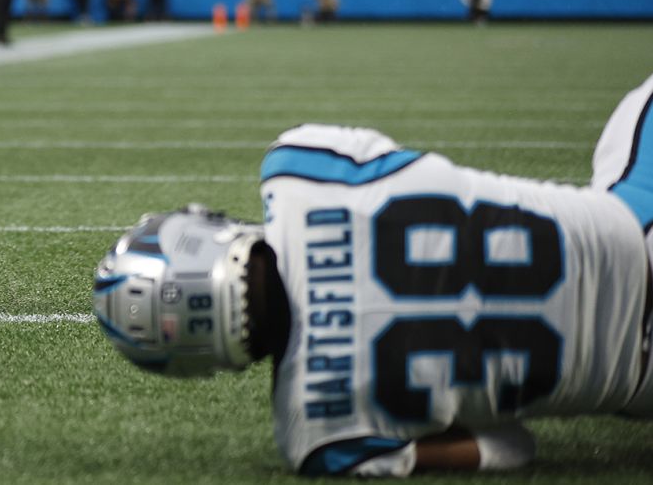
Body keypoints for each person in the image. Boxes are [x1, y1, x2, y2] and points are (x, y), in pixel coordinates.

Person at [94, 73, 653, 476]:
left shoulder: (317, 438)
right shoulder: (298, 169)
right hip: (638, 227)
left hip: (641, 381)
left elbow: (511, 449)